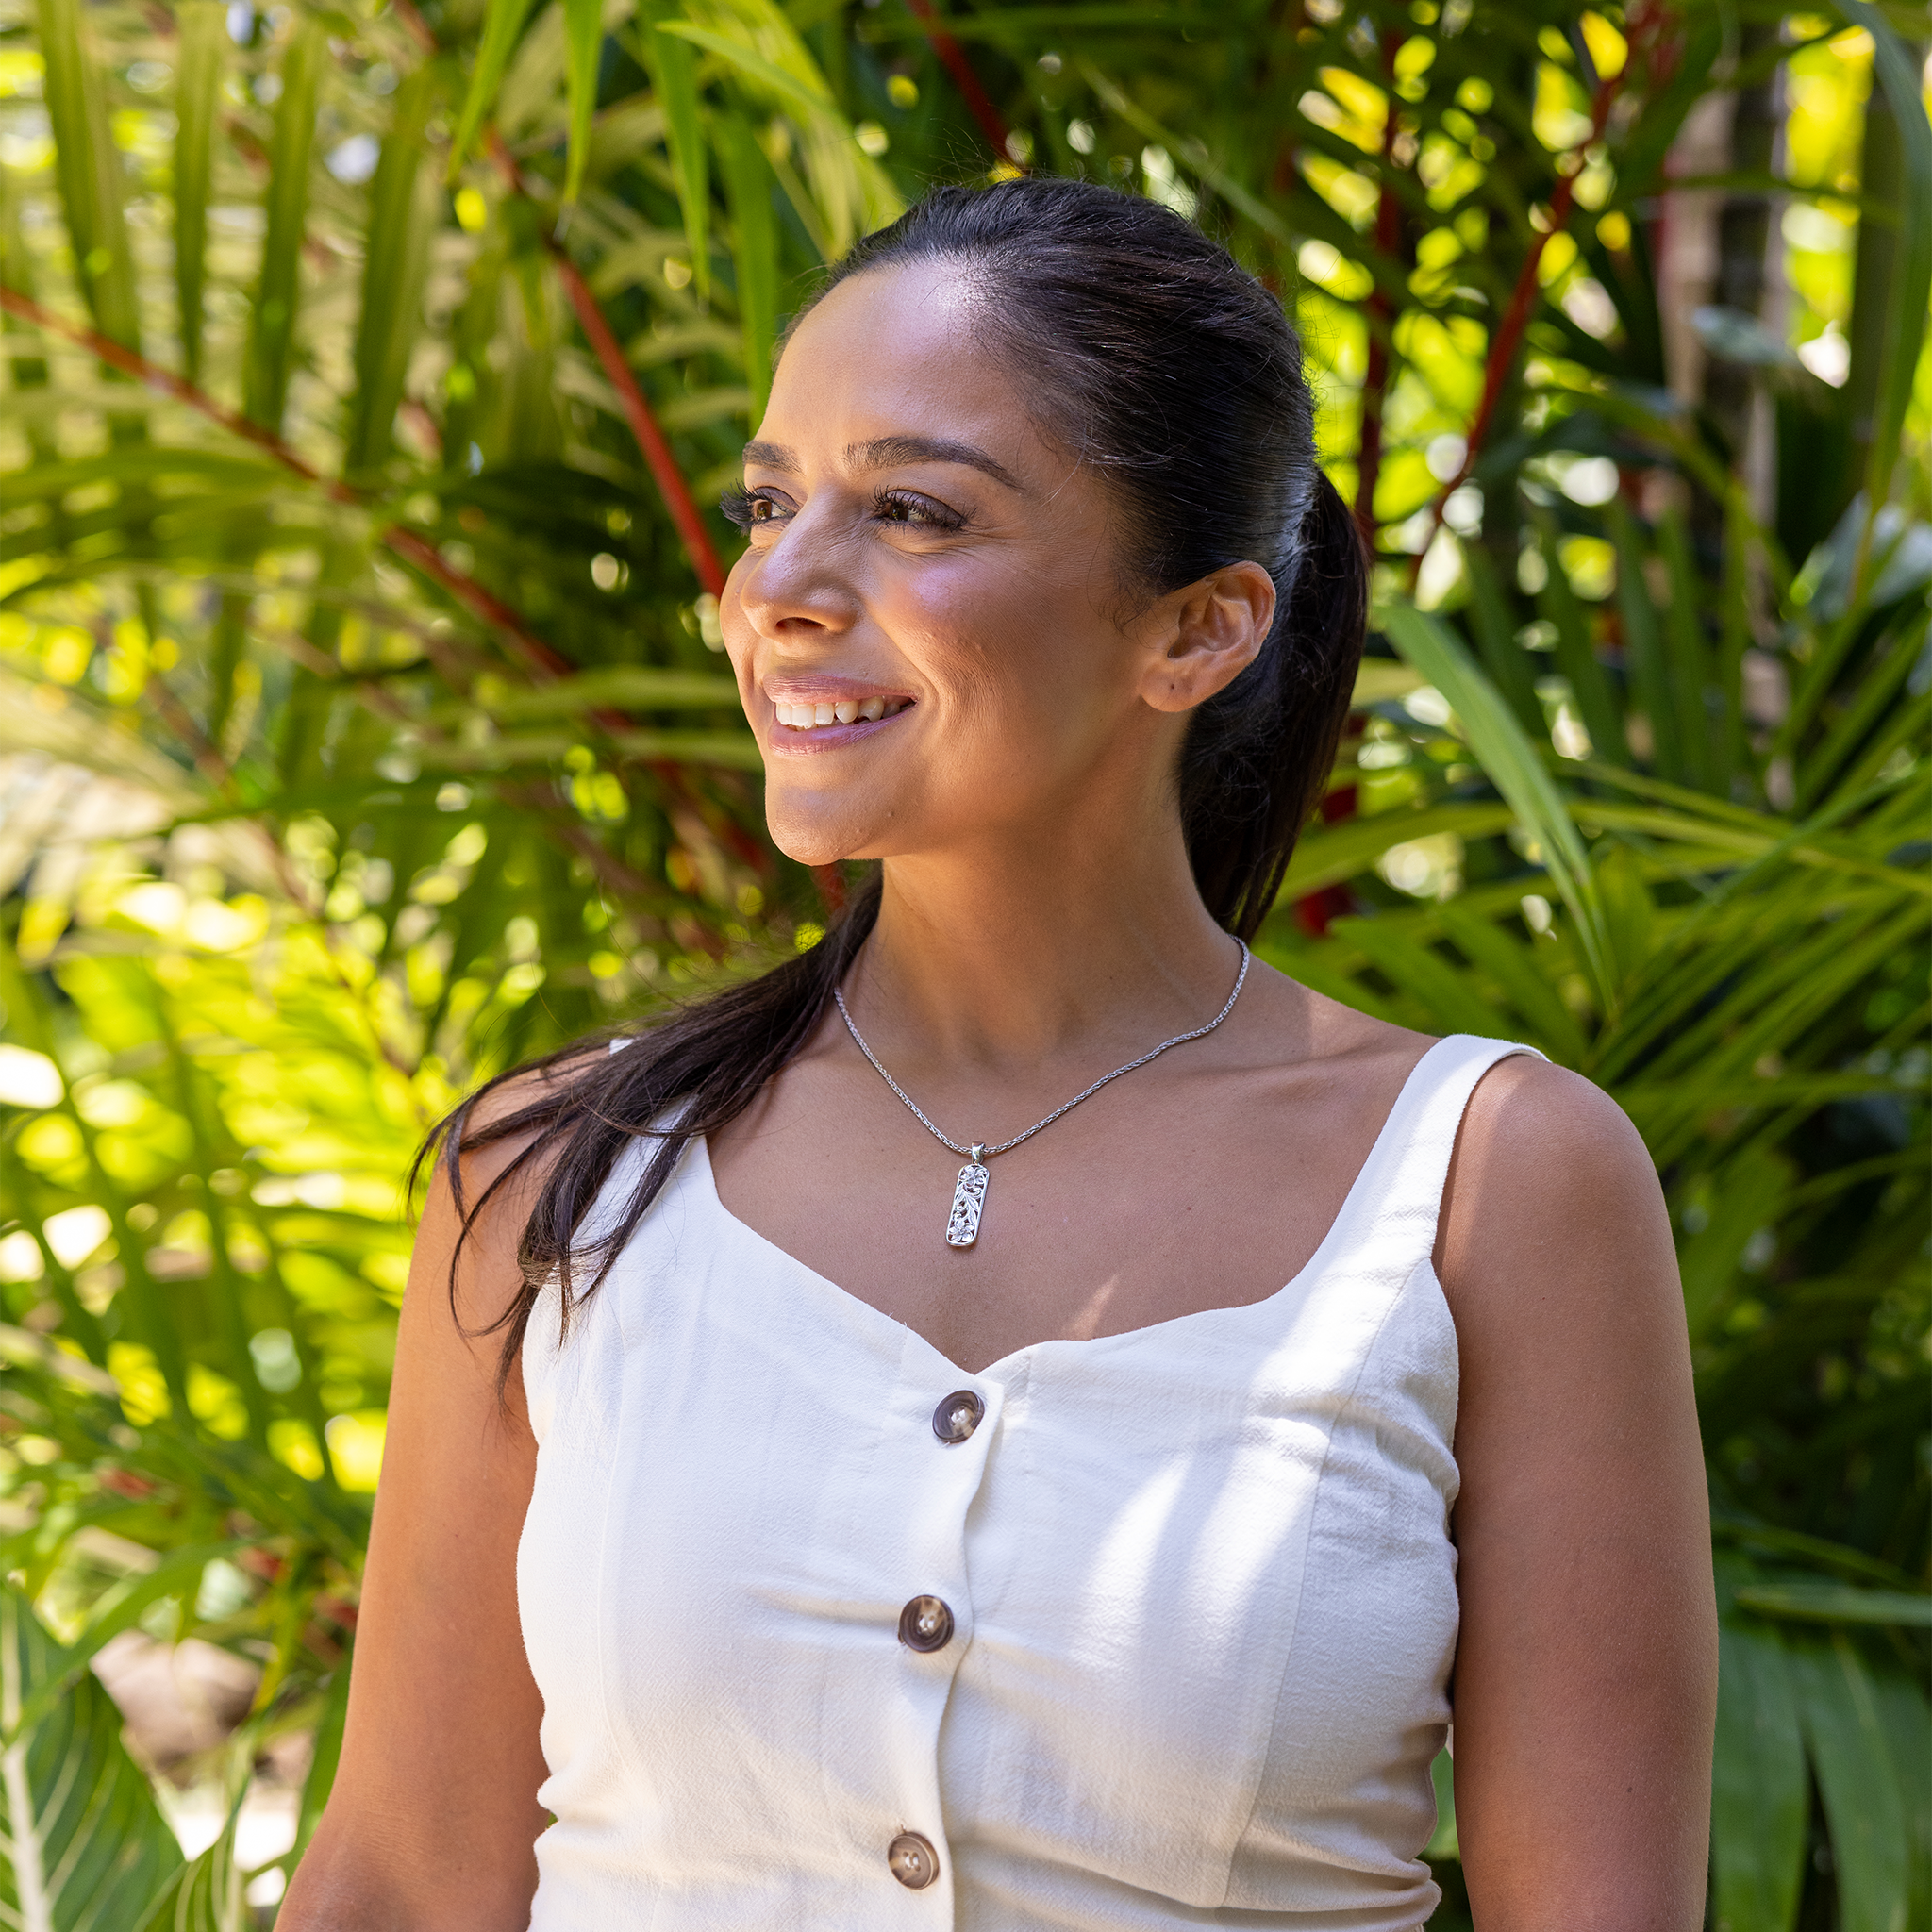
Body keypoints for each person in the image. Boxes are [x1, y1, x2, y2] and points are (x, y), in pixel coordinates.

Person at [281, 177, 1716, 1930]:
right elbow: (403, 1883)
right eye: (769, 505)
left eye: (912, 510)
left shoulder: (1488, 1188)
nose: (775, 588)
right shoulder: (558, 1183)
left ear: (1197, 627)